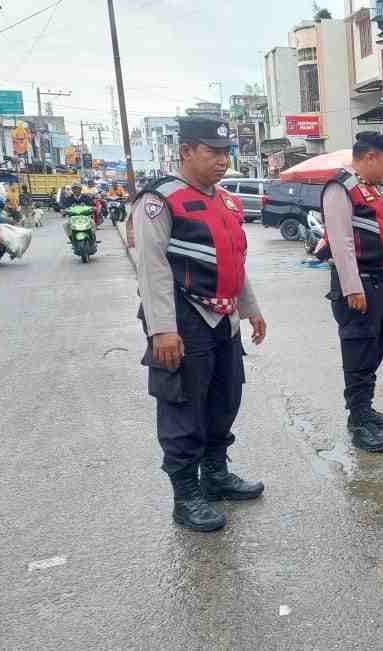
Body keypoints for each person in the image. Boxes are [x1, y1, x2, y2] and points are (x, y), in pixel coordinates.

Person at [132, 116, 268, 532]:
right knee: (183, 407)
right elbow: (151, 269)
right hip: (182, 317)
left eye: (226, 152)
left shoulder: (226, 202)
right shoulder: (160, 200)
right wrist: (162, 330)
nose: (223, 161)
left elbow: (235, 262)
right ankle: (186, 496)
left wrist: (251, 309)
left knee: (224, 399)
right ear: (186, 151)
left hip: (223, 316)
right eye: (213, 152)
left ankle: (216, 474)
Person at [321, 131, 383, 453]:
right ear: (369, 157)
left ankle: (365, 408)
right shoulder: (341, 188)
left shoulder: (368, 190)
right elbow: (340, 242)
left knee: (374, 348)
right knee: (357, 352)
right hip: (359, 284)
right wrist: (353, 287)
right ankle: (358, 422)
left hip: (377, 282)